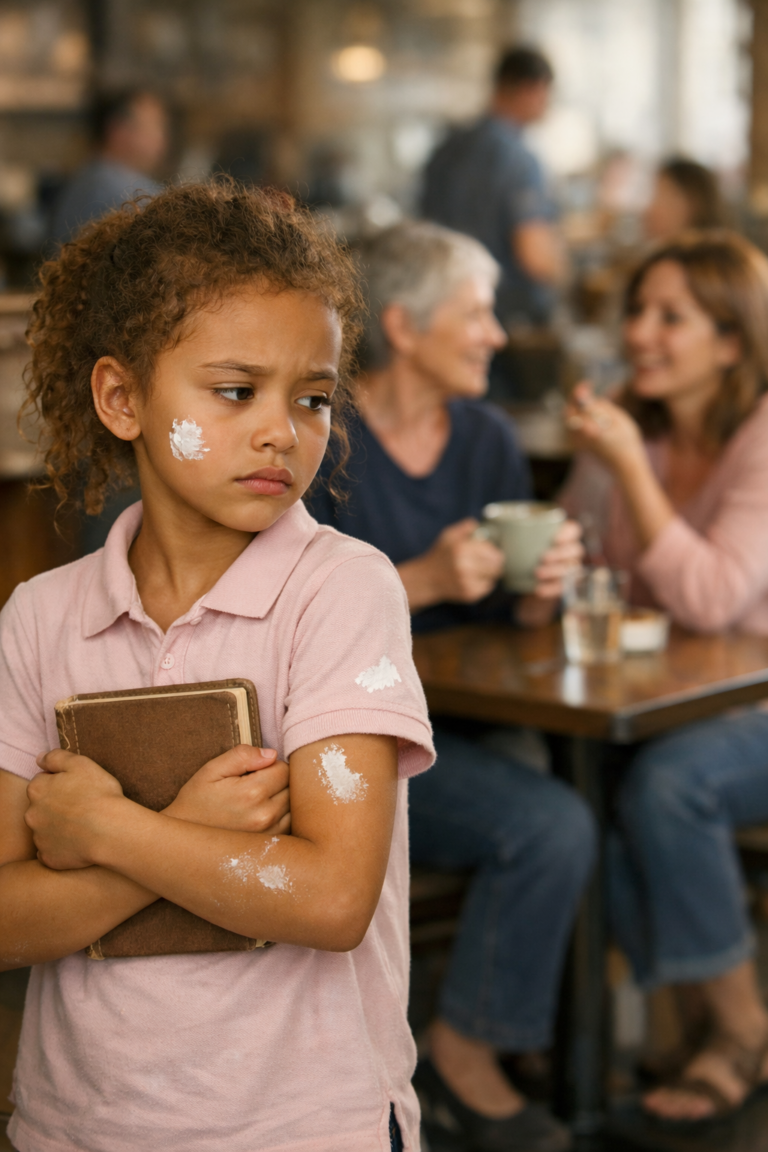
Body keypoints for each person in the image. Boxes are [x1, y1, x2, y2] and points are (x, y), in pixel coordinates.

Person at [0, 182, 435, 1152]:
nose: (283, 430)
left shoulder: (341, 593)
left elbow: (330, 899)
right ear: (122, 399)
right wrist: (187, 836)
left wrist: (107, 828)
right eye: (235, 392)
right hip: (77, 1126)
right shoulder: (41, 618)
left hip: (302, 1125)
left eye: (314, 397)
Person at [309, 220, 594, 1152]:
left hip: (473, 723)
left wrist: (535, 592)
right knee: (549, 824)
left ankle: (521, 1037)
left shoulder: (483, 436)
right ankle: (467, 1052)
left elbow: (514, 623)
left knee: (579, 806)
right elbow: (293, 618)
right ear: (402, 323)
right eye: (477, 313)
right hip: (357, 739)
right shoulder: (325, 440)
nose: (498, 334)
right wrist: (423, 579)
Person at [562, 230, 768, 1125]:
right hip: (667, 707)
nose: (641, 331)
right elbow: (580, 567)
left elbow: (716, 596)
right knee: (587, 797)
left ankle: (737, 1028)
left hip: (751, 705)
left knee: (670, 787)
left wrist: (627, 475)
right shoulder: (630, 427)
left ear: (733, 341)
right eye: (637, 311)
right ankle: (633, 1029)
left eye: (670, 316)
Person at [421, 45, 565, 341]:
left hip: (439, 310)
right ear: (533, 89)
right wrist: (565, 273)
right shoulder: (519, 159)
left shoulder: (447, 147)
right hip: (500, 317)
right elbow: (534, 254)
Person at [49, 88, 168, 246]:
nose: (161, 140)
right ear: (117, 130)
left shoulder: (87, 176)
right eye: (153, 127)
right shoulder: (116, 189)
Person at [644, 157, 726, 244]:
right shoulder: (661, 251)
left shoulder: (712, 254)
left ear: (694, 202)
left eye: (664, 197)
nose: (650, 209)